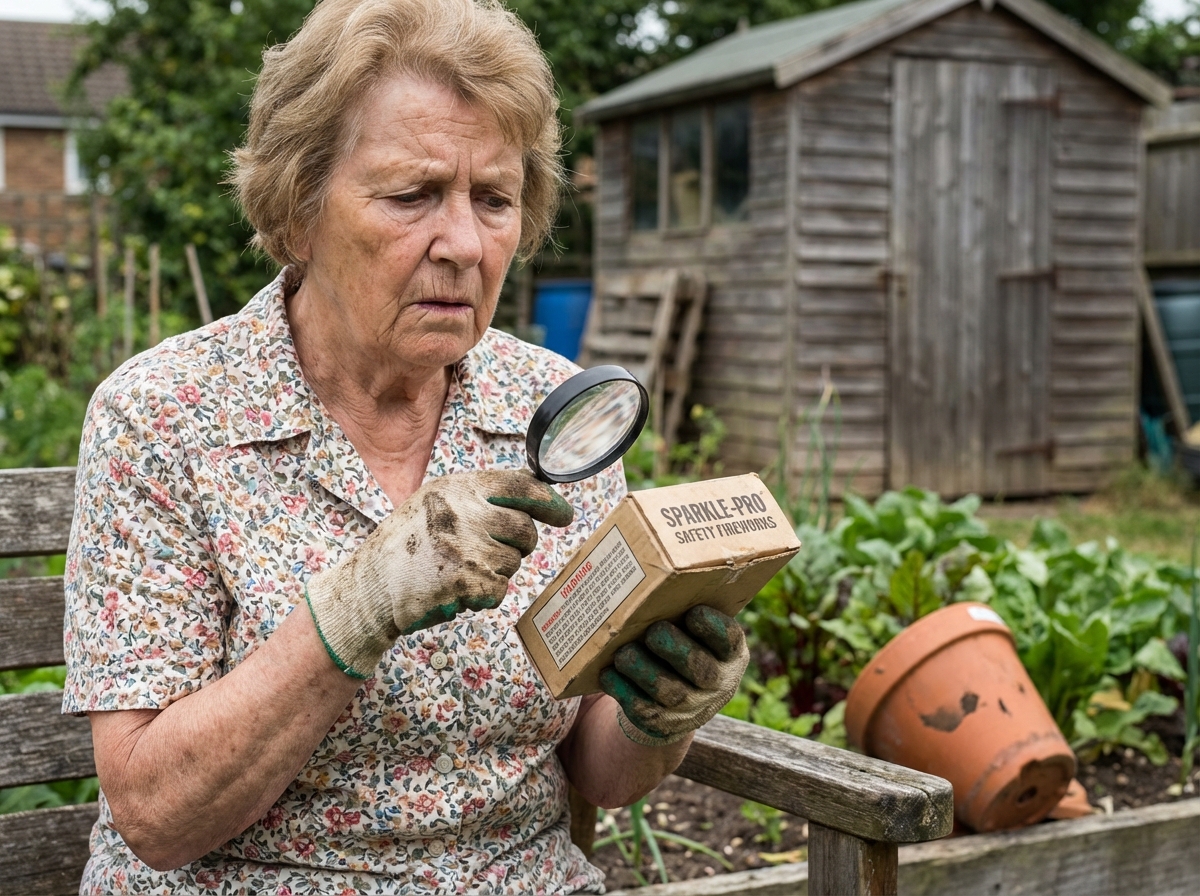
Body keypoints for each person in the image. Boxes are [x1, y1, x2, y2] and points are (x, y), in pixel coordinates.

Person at [62, 1, 748, 892]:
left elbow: (601, 773)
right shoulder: (165, 417)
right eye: (413, 194)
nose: (464, 243)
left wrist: (663, 710)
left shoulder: (548, 409)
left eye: (494, 199)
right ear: (297, 210)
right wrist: (361, 606)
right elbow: (155, 817)